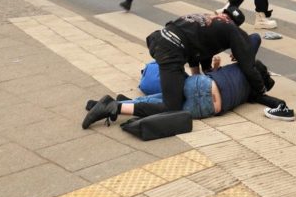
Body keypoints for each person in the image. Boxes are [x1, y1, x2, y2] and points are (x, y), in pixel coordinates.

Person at [102, 8, 268, 123]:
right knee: (172, 107)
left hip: (158, 40)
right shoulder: (232, 30)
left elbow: (197, 67)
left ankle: (126, 102)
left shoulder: (208, 21)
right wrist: (260, 92)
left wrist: (204, 76)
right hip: (171, 51)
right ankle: (116, 107)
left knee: (178, 89)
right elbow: (248, 67)